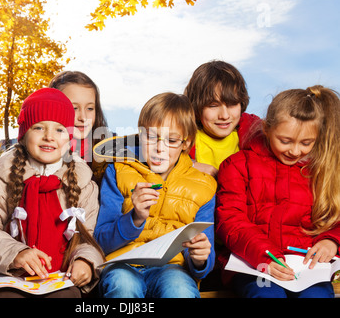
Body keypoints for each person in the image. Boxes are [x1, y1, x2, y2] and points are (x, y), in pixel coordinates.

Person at [0, 88, 104, 298]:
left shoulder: (84, 183)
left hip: (59, 280)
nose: (49, 137)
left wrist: (85, 261)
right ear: (24, 134)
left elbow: (88, 238)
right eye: (39, 127)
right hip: (9, 277)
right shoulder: (1, 177)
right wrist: (15, 253)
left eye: (59, 130)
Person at [216, 85, 340, 298]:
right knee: (267, 295)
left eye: (306, 143)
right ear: (266, 128)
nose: (295, 150)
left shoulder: (322, 171)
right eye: (285, 141)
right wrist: (266, 256)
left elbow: (335, 216)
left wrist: (331, 241)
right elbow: (230, 220)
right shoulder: (236, 165)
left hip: (307, 268)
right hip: (255, 264)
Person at [93, 92, 217, 298]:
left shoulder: (204, 187)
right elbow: (100, 240)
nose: (159, 148)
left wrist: (200, 258)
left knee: (179, 291)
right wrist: (135, 218)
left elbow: (203, 259)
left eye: (171, 140)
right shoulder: (117, 171)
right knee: (123, 286)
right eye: (151, 137)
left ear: (186, 143)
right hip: (122, 265)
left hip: (173, 269)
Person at [184, 60, 260, 177]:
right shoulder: (182, 135)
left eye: (232, 104)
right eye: (213, 106)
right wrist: (190, 165)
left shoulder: (255, 134)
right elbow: (149, 153)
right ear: (196, 107)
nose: (224, 116)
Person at [49, 71, 113, 183]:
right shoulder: (42, 152)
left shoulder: (110, 153)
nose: (83, 117)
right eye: (74, 108)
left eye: (90, 108)